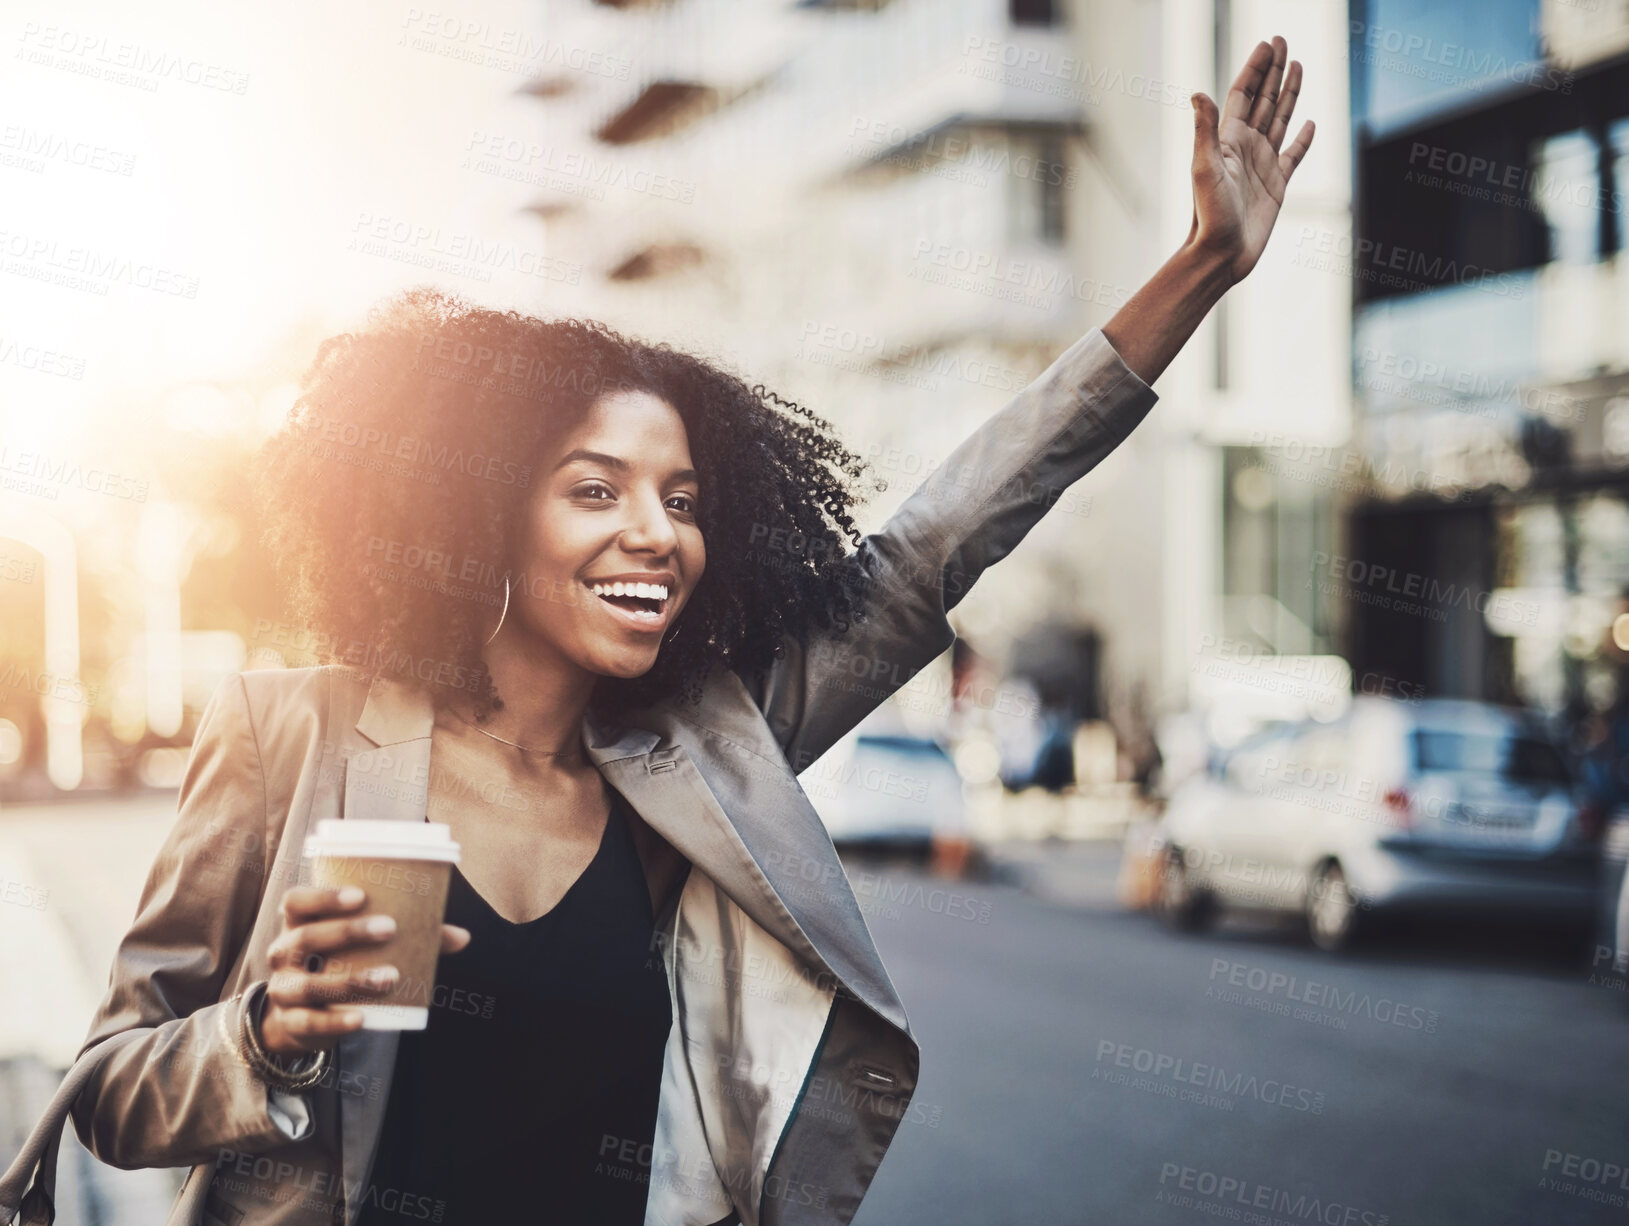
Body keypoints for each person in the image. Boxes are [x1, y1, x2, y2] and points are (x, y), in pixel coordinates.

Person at [66, 38, 1314, 1226]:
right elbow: (110, 1089)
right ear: (482, 512)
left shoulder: (703, 749)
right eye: (596, 490)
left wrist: (1201, 264)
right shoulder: (287, 732)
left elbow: (939, 539)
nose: (656, 533)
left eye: (683, 499)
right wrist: (266, 1030)